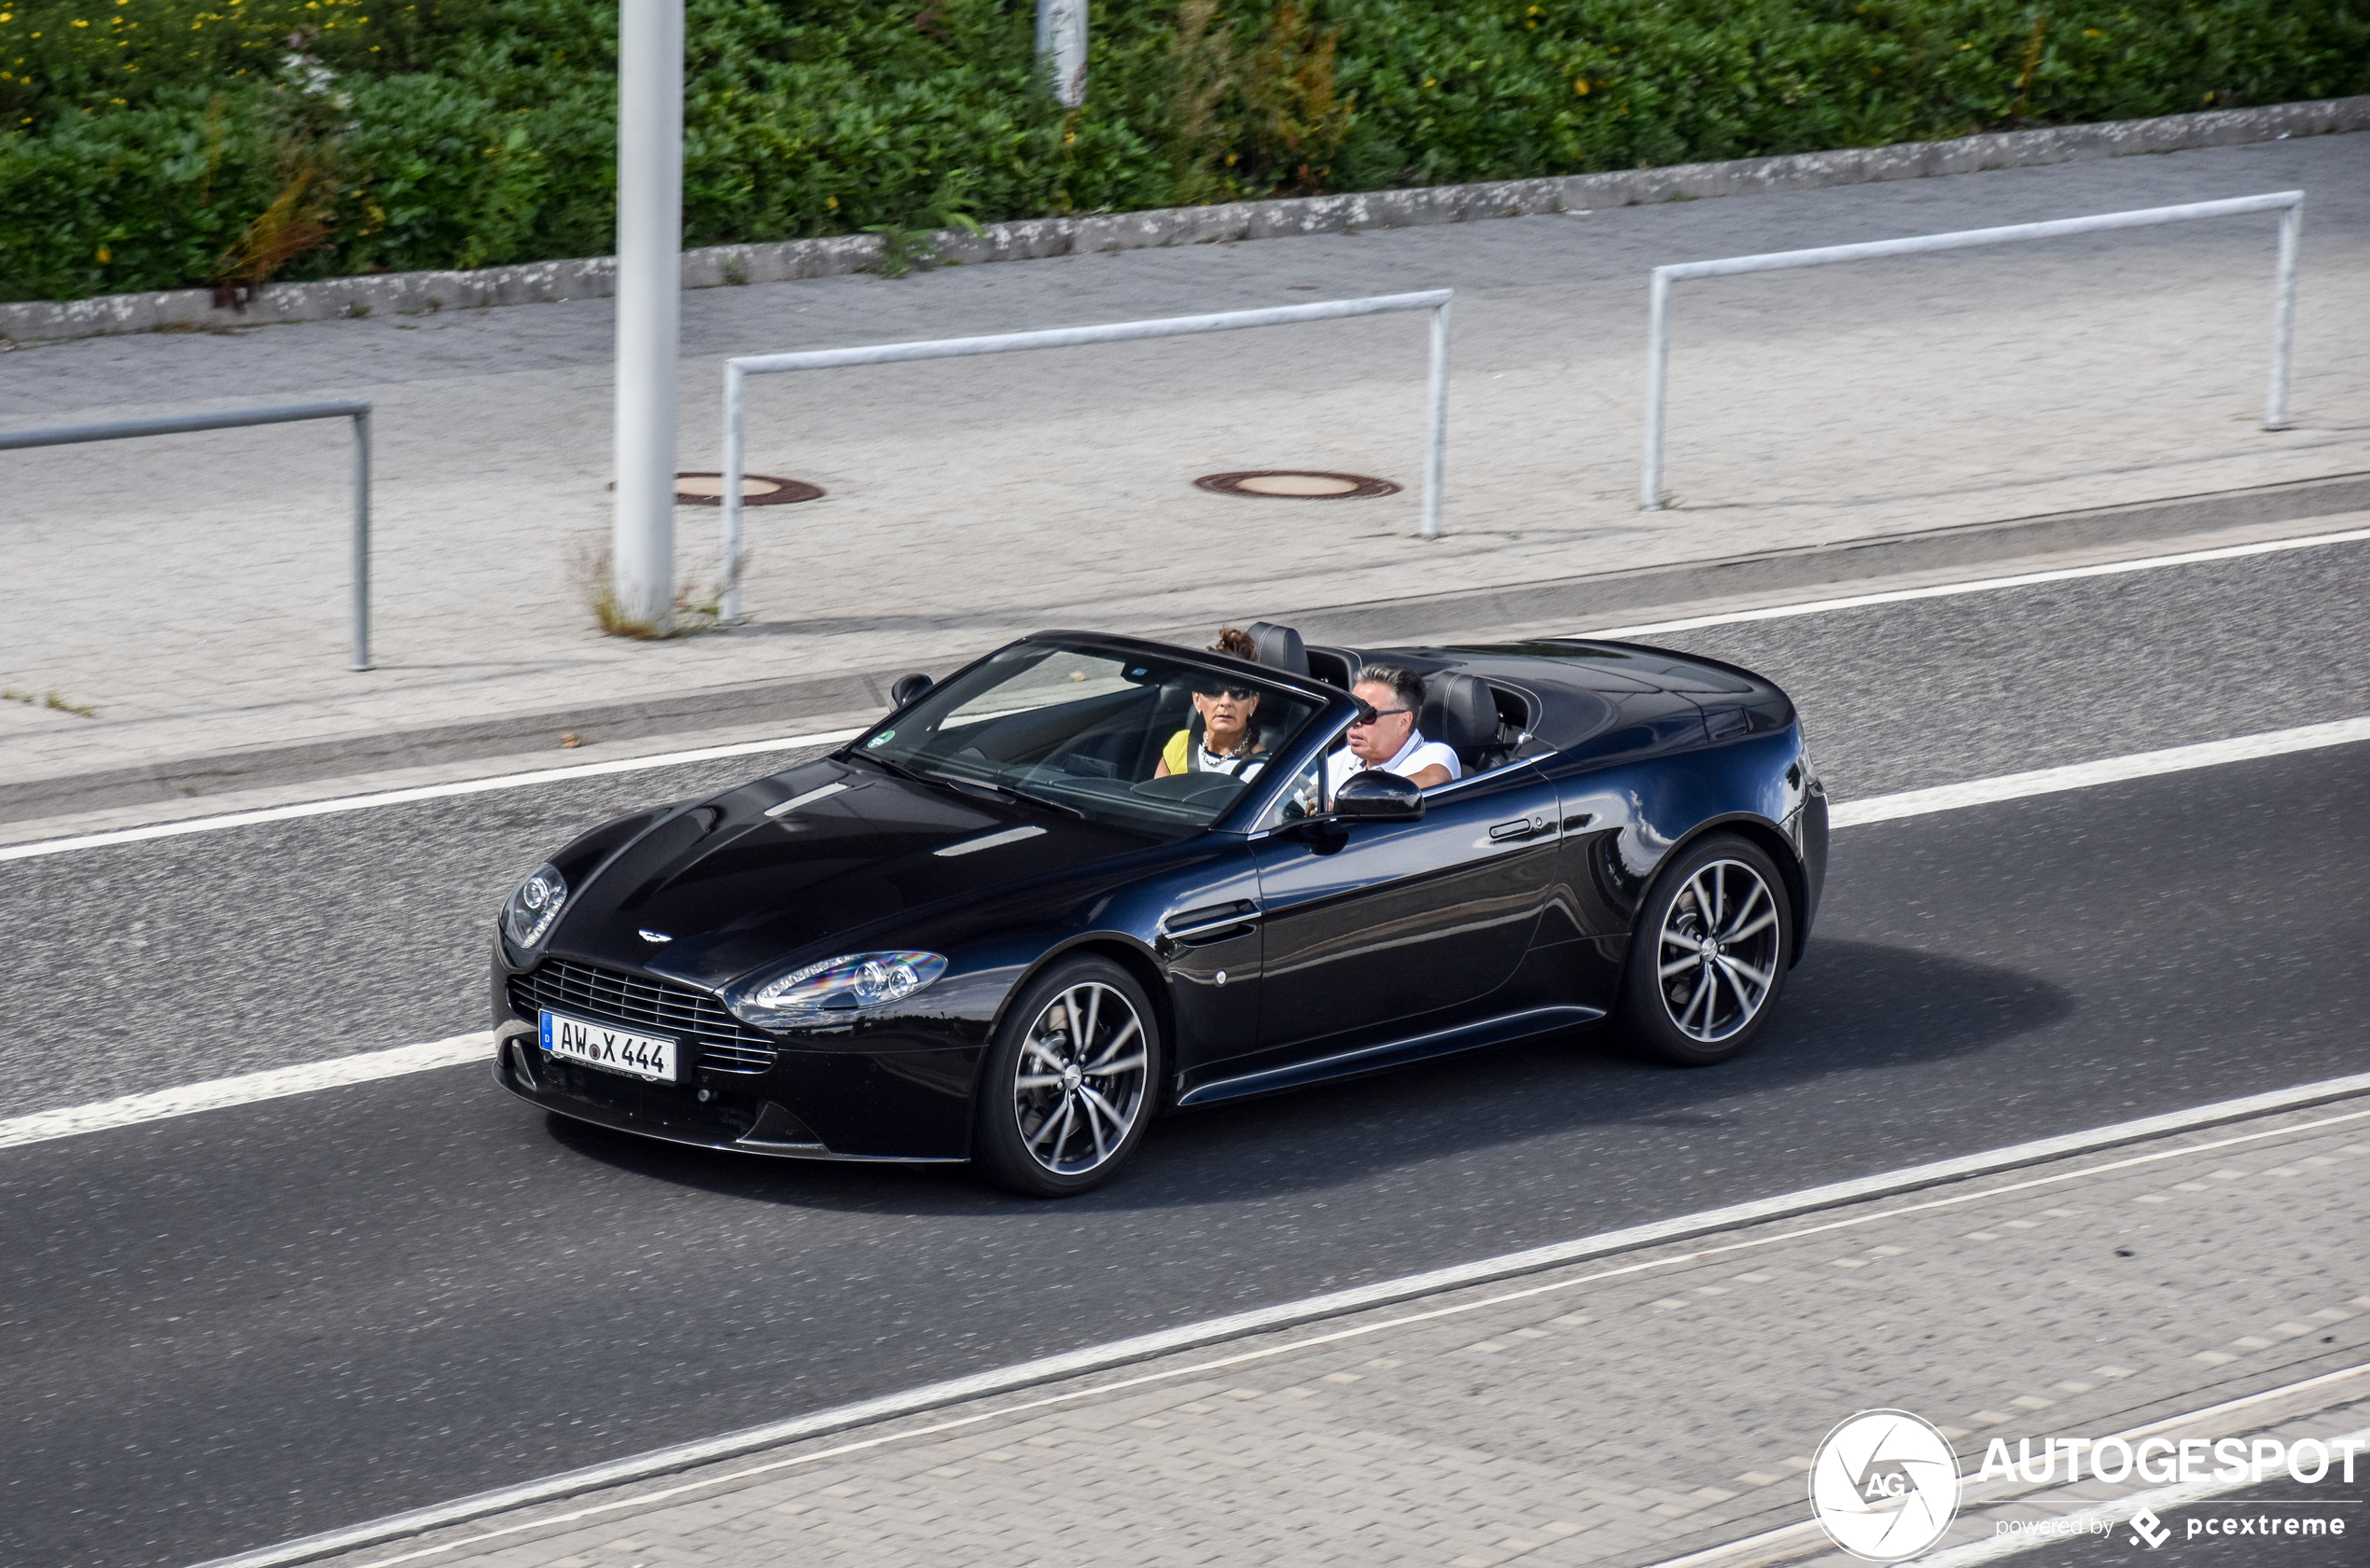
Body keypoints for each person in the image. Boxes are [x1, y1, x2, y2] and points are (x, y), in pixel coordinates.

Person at [1324, 663, 1459, 797]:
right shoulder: (1343, 759)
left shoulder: (1432, 753)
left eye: (1368, 715)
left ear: (1403, 722)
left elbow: (1436, 779)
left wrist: (1355, 800)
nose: (1355, 722)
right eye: (1352, 711)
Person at [1155, 628, 1272, 781]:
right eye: (1214, 691)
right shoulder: (1180, 744)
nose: (1225, 702)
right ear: (1197, 699)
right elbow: (1151, 801)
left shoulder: (1264, 769)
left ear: (1253, 703)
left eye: (1238, 693)